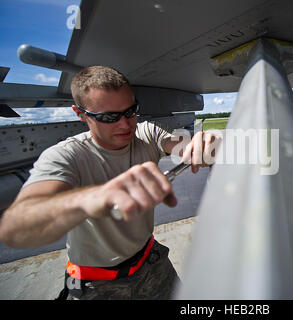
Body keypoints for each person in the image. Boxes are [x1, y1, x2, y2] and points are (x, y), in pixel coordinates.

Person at [0, 66, 218, 300]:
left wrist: (209, 143)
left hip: (150, 260)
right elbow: (16, 228)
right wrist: (96, 197)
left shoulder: (146, 133)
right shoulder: (66, 156)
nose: (125, 125)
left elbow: (190, 147)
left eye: (130, 111)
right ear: (80, 114)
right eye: (108, 117)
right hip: (96, 284)